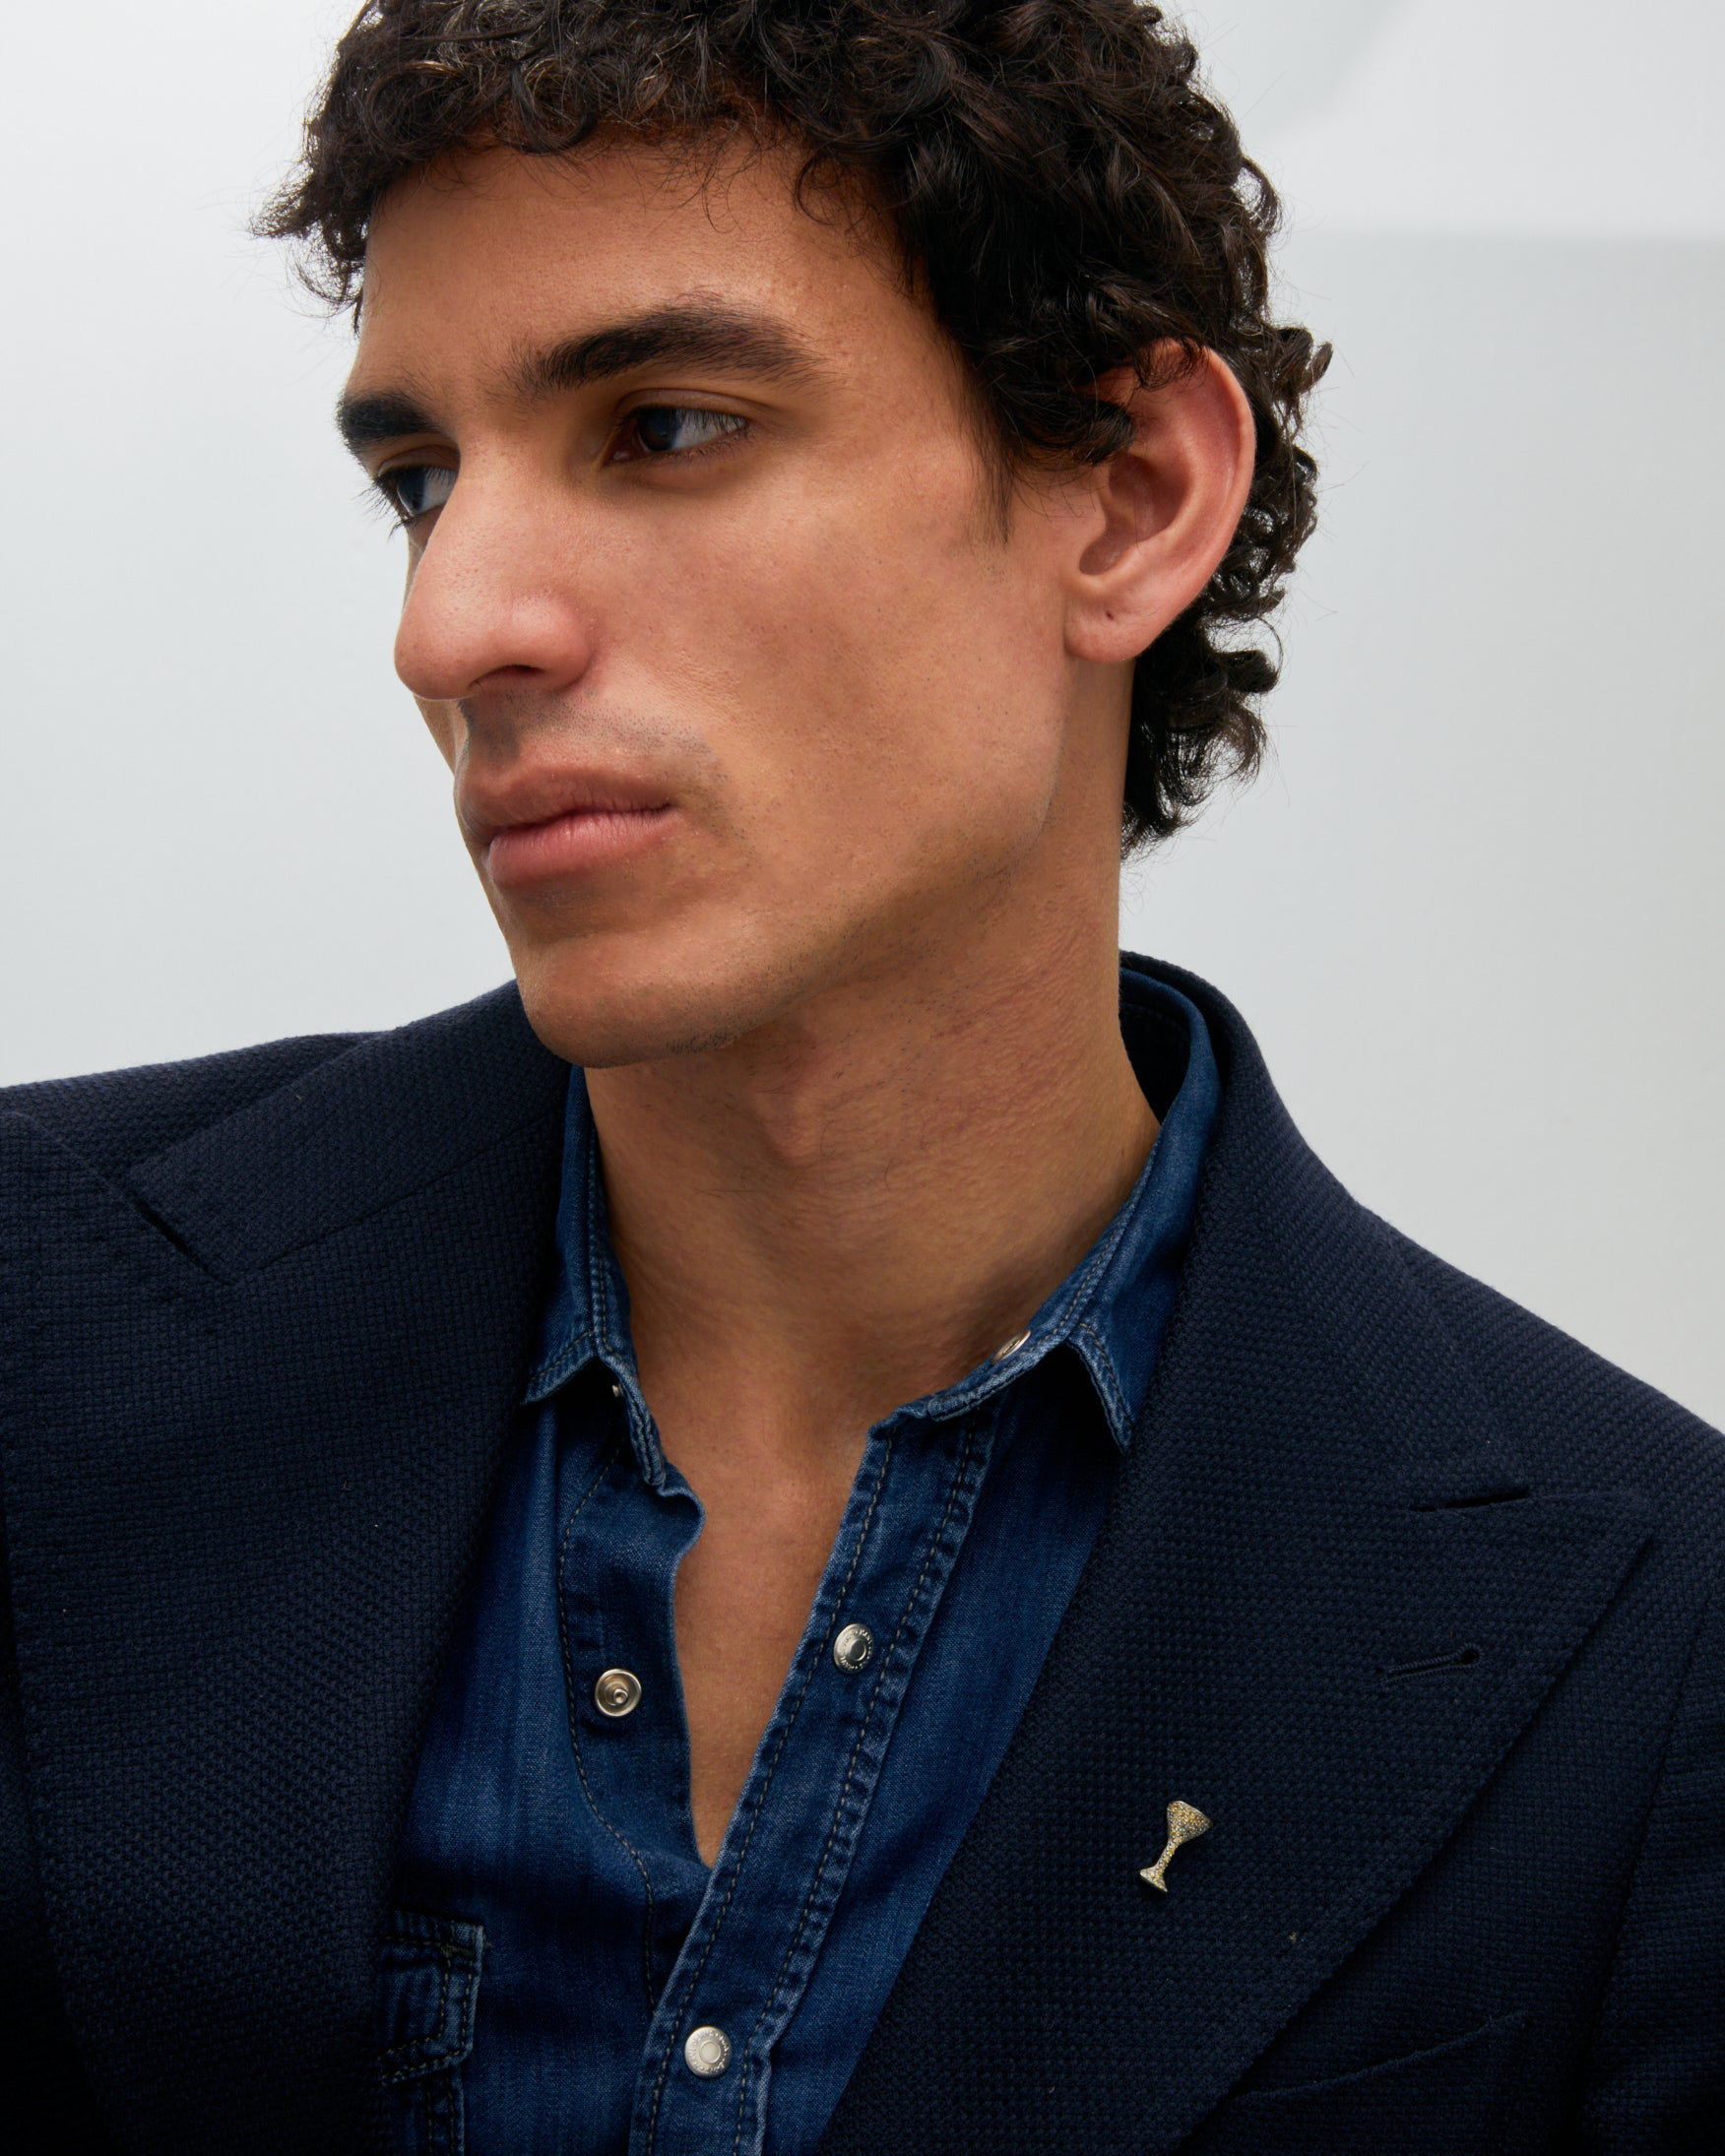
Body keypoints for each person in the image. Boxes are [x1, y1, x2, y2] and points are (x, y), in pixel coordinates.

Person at [2, 2, 1719, 2150]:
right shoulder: (38, 1324)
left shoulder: (1647, 1644)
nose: (450, 625)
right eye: (420, 480)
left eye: (665, 427)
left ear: (1131, 499)